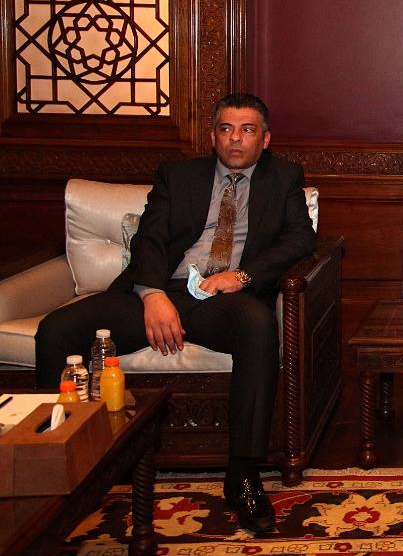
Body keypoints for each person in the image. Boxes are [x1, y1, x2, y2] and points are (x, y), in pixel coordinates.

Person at [36, 93, 316, 534]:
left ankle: (243, 474)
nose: (236, 139)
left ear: (264, 139)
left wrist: (241, 276)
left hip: (223, 299)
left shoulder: (283, 178)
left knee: (259, 325)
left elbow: (301, 239)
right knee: (56, 330)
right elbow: (149, 239)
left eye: (247, 130)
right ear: (213, 137)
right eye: (226, 129)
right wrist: (151, 295)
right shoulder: (177, 175)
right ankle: (54, 467)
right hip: (162, 290)